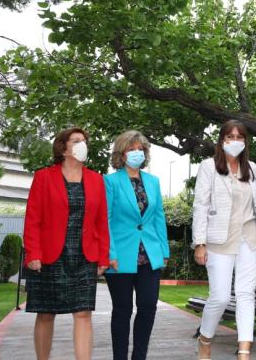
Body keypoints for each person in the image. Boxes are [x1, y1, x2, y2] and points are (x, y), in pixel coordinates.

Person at [23, 127, 110, 360]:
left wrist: (103, 257)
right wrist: (32, 253)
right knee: (45, 314)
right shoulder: (43, 177)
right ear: (63, 147)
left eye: (85, 141)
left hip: (84, 256)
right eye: (76, 140)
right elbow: (33, 220)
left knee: (83, 314)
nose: (83, 145)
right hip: (50, 255)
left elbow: (102, 223)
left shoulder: (96, 179)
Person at [192, 120, 256, 360]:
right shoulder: (208, 167)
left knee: (246, 294)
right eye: (230, 136)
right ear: (222, 140)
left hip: (248, 238)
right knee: (220, 297)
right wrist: (199, 242)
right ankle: (205, 339)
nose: (235, 141)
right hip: (219, 239)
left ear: (245, 141)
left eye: (240, 137)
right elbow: (200, 206)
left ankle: (244, 353)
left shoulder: (251, 168)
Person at [103, 130, 169, 360]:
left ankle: (139, 357)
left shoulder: (153, 182)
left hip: (150, 255)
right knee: (122, 311)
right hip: (120, 256)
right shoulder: (110, 181)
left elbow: (158, 217)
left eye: (140, 149)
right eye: (131, 149)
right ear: (121, 153)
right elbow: (106, 219)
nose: (137, 153)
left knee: (148, 308)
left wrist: (164, 251)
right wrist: (109, 253)